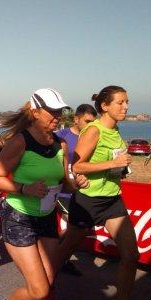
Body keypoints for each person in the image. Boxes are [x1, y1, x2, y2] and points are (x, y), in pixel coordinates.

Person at [0, 88, 88, 300]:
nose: (57, 116)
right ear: (35, 112)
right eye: (52, 111)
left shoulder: (61, 145)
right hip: (19, 217)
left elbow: (65, 183)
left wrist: (76, 182)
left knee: (48, 280)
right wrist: (24, 188)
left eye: (60, 111)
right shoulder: (19, 142)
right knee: (40, 288)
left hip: (46, 218)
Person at [57, 85, 151, 300]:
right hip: (88, 202)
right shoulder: (93, 130)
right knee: (66, 248)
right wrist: (114, 162)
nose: (126, 106)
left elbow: (109, 163)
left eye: (127, 101)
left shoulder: (115, 130)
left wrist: (121, 169)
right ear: (105, 106)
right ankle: (43, 287)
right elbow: (77, 167)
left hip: (112, 200)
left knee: (131, 255)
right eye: (120, 102)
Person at [53, 103, 97, 278]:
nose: (90, 126)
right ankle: (55, 258)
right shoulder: (60, 137)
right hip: (62, 191)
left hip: (83, 191)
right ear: (76, 119)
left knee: (80, 231)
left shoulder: (94, 137)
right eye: (87, 121)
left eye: (93, 122)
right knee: (75, 228)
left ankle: (58, 255)